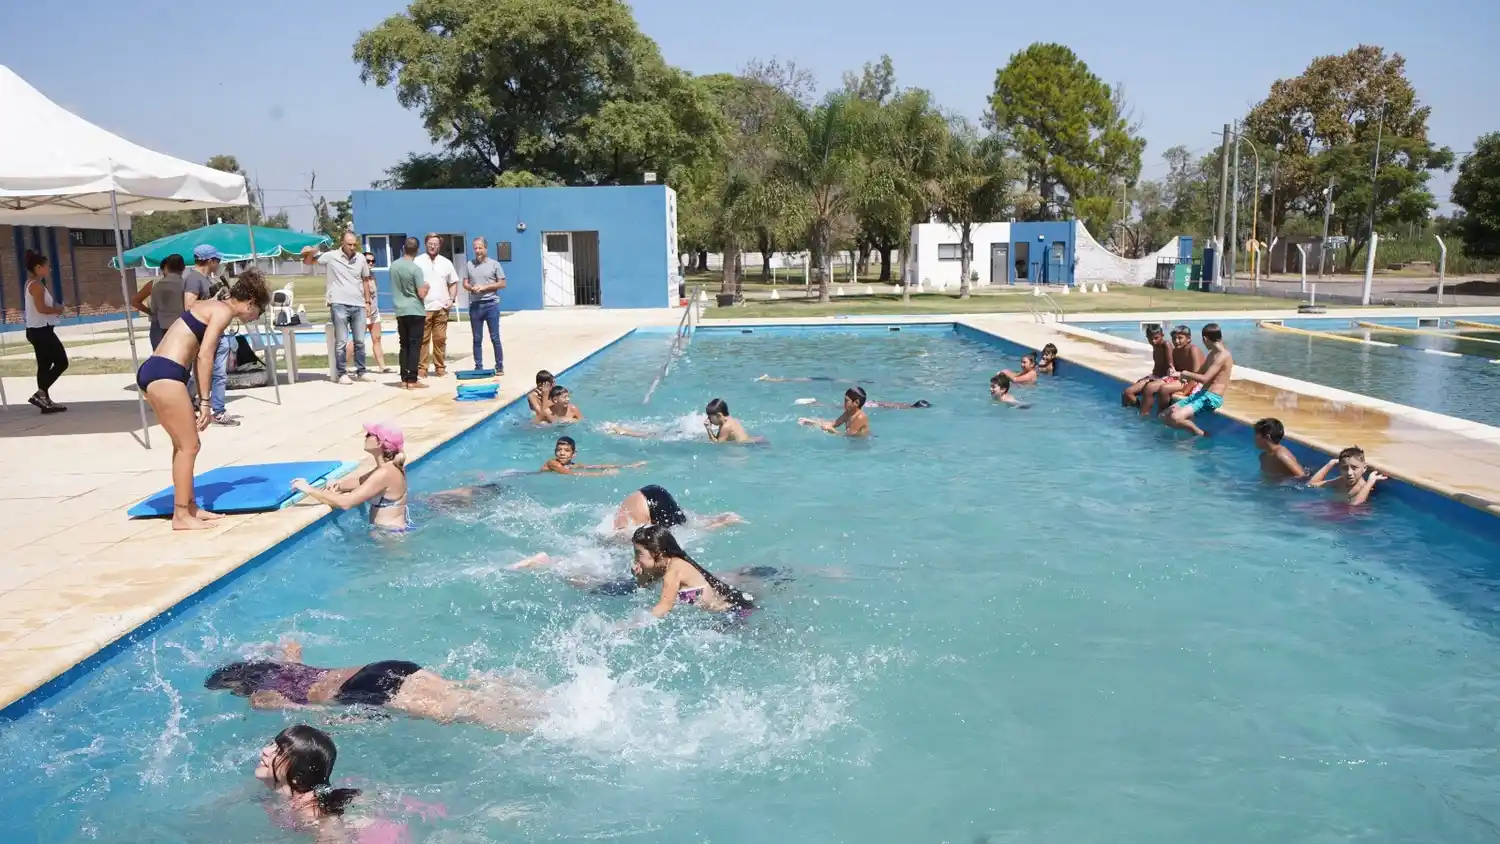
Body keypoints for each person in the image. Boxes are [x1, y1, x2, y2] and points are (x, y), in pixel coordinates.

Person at [135, 270, 270, 530]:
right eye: (259, 313)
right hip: (166, 373)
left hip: (158, 370)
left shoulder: (210, 306)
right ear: (250, 303)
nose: (255, 318)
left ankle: (190, 507)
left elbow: (198, 355)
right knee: (190, 446)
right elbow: (205, 356)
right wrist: (206, 402)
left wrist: (200, 396)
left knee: (182, 445)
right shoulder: (222, 312)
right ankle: (181, 516)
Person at [205, 640, 539, 731]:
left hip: (361, 689)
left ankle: (547, 726)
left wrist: (336, 720)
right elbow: (292, 648)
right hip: (383, 666)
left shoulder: (262, 695)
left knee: (461, 713)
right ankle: (543, 700)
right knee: (463, 694)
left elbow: (306, 713)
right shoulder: (289, 667)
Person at [291, 423, 410, 531]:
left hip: (388, 537)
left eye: (369, 434)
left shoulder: (384, 473)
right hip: (391, 532)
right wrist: (338, 484)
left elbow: (346, 503)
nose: (365, 436)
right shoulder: (390, 467)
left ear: (379, 443)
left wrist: (308, 489)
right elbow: (361, 481)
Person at [627, 525, 756, 622]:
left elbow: (663, 608)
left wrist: (629, 625)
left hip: (732, 614)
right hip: (725, 613)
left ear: (655, 553)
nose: (635, 559)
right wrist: (638, 575)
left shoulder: (674, 570)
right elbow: (644, 586)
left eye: (638, 554)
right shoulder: (664, 567)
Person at [254, 725, 362, 840]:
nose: (265, 750)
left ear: (298, 775)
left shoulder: (311, 812)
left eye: (279, 752)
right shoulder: (264, 786)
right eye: (272, 744)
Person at [302, 233, 370, 385]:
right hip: (339, 303)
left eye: (354, 244)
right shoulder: (331, 256)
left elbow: (365, 280)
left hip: (359, 304)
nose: (352, 247)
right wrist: (311, 252)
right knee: (341, 341)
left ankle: (361, 372)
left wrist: (368, 302)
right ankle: (341, 373)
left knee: (359, 341)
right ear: (342, 243)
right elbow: (308, 262)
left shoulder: (361, 258)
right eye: (349, 244)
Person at [183, 246, 240, 426]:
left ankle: (188, 402)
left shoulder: (206, 279)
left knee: (208, 374)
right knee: (215, 375)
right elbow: (189, 306)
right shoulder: (193, 278)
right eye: (218, 260)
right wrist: (216, 300)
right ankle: (217, 411)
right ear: (210, 261)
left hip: (216, 333)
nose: (219, 264)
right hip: (207, 334)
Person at [1165, 323, 1233, 437]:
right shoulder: (1212, 354)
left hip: (1211, 398)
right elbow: (1198, 373)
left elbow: (1205, 379)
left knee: (1174, 417)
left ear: (1205, 339)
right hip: (1202, 394)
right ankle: (1188, 437)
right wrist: (1178, 375)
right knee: (1164, 415)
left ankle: (1202, 434)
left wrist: (1185, 373)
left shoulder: (1223, 356)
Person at [22, 250, 68, 414]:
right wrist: (58, 310)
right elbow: (41, 308)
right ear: (38, 267)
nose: (49, 268)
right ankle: (40, 394)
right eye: (47, 266)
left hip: (38, 330)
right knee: (62, 362)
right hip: (41, 331)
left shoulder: (33, 283)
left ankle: (45, 401)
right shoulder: (35, 285)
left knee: (44, 366)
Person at [131, 253, 200, 351]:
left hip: (158, 324)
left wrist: (150, 311)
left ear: (166, 267)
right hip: (182, 324)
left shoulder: (154, 284)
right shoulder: (188, 285)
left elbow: (135, 301)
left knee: (160, 358)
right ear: (183, 268)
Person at [414, 234, 459, 378]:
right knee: (423, 340)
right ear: (426, 244)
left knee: (440, 339)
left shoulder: (446, 263)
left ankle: (440, 367)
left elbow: (453, 282)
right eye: (430, 243)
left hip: (441, 307)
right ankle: (422, 368)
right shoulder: (417, 261)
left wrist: (451, 299)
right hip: (423, 307)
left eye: (436, 244)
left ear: (440, 246)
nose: (433, 246)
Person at [388, 237, 429, 390]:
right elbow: (421, 294)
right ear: (417, 250)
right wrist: (426, 287)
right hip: (415, 309)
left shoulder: (394, 266)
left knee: (403, 345)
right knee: (414, 345)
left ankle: (404, 378)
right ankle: (412, 379)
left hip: (400, 309)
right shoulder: (415, 269)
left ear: (403, 248)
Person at [613, 484, 742, 532]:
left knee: (684, 527)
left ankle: (725, 520)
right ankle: (725, 519)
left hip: (642, 499)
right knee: (684, 524)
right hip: (648, 499)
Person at [462, 236, 506, 373]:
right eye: (475, 248)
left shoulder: (494, 264)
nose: (477, 250)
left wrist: (485, 288)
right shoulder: (469, 265)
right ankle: (478, 366)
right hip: (475, 305)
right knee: (477, 338)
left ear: (486, 248)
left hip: (491, 304)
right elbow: (465, 283)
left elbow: (502, 283)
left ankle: (499, 366)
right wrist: (471, 288)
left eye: (480, 248)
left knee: (495, 337)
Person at [1144, 325, 1206, 418]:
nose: (1176, 341)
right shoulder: (1176, 351)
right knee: (1149, 387)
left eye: (1180, 338)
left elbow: (1196, 375)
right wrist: (1171, 371)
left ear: (1189, 338)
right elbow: (1176, 370)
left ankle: (1162, 416)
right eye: (1174, 338)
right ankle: (1144, 415)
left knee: (1164, 389)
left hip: (1194, 382)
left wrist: (1184, 392)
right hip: (1183, 379)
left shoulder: (1193, 350)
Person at [1308, 446, 1385, 505]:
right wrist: (1330, 464)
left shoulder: (1363, 487)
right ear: (1339, 468)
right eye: (1344, 468)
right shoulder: (1340, 481)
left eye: (1354, 468)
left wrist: (1370, 482)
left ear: (1364, 468)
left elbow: (1355, 504)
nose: (1349, 473)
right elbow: (1311, 485)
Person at [1121, 325, 1172, 409]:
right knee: (1126, 394)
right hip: (1154, 376)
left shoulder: (1166, 344)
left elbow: (1171, 366)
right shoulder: (1155, 346)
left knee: (1131, 392)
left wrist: (1154, 379)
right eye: (1150, 339)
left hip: (1163, 378)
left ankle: (1141, 410)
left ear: (1162, 335)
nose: (1153, 341)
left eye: (1156, 338)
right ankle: (1131, 411)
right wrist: (1148, 378)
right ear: (1147, 337)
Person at [541, 435, 643, 475]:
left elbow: (594, 467)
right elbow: (571, 474)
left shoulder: (572, 465)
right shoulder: (553, 463)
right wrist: (603, 474)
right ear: (555, 452)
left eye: (567, 450)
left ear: (574, 454)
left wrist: (627, 466)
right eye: (559, 450)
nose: (562, 453)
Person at [360, 250, 391, 373]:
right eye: (368, 261)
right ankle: (341, 366)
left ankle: (382, 366)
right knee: (358, 341)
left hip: (374, 312)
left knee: (377, 339)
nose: (371, 263)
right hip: (362, 313)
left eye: (373, 261)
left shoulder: (372, 276)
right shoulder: (358, 276)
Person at [798, 386, 870, 437]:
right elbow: (833, 424)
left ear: (856, 403)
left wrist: (833, 431)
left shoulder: (860, 417)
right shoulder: (848, 413)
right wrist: (813, 422)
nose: (844, 403)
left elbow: (849, 437)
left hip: (861, 445)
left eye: (846, 401)